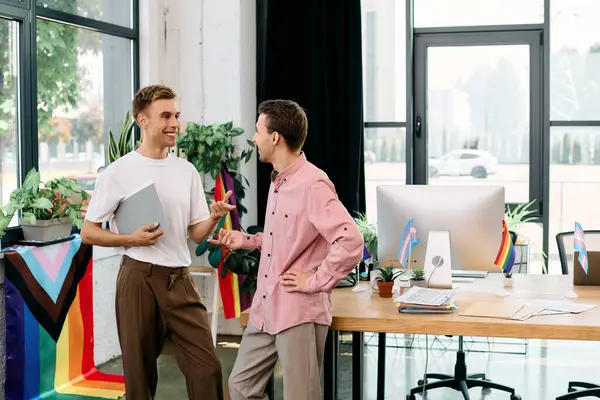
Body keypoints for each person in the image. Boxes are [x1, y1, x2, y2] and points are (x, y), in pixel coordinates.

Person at [81, 84, 231, 400]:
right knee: (139, 378)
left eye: (176, 115)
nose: (175, 123)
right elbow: (89, 231)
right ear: (143, 120)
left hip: (179, 280)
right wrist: (129, 238)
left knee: (208, 369)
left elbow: (195, 233)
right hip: (137, 279)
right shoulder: (118, 172)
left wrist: (214, 217)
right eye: (165, 116)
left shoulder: (186, 171)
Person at [211, 99, 364, 400]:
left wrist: (316, 280)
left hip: (299, 310)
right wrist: (248, 240)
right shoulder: (279, 182)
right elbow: (288, 240)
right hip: (266, 306)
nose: (254, 138)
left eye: (257, 131)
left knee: (301, 396)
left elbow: (351, 240)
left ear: (275, 137)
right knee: (240, 387)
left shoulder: (313, 184)